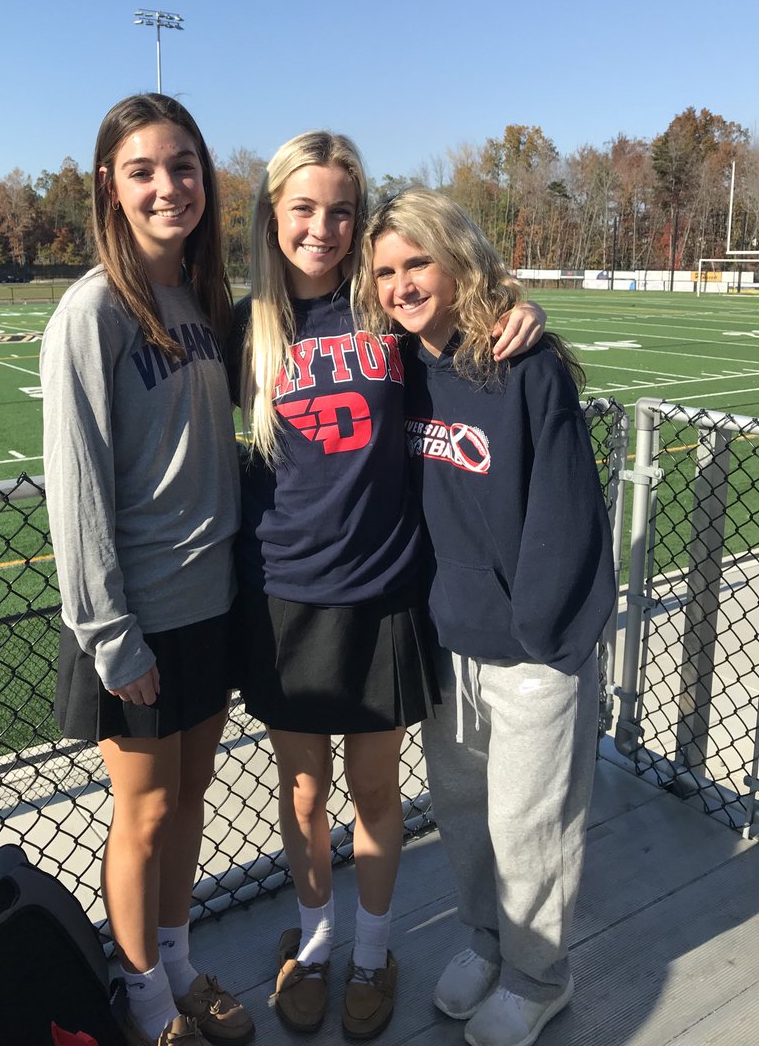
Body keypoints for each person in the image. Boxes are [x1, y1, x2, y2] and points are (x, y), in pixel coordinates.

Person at [228, 134, 546, 1041]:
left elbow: (460, 312)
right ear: (272, 215)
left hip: (380, 593)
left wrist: (519, 307)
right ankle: (318, 939)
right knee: (301, 794)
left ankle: (373, 948)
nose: (322, 227)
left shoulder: (381, 311)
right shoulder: (243, 324)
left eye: (340, 210)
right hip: (285, 592)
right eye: (304, 207)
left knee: (374, 792)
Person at [358, 187, 616, 1046]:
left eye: (416, 262)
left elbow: (568, 514)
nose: (401, 284)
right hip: (445, 640)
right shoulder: (394, 369)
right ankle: (484, 939)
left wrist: (544, 635)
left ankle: (541, 974)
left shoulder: (523, 365)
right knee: (466, 813)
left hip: (529, 646)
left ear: (457, 258)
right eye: (386, 270)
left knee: (528, 822)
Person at [41, 94, 254, 1046]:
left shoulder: (201, 302)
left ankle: (175, 964)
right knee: (145, 812)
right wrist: (109, 637)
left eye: (183, 166)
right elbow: (76, 487)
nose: (168, 186)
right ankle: (144, 1003)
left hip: (211, 601)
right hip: (134, 617)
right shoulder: (94, 310)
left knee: (192, 798)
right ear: (109, 187)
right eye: (143, 170)